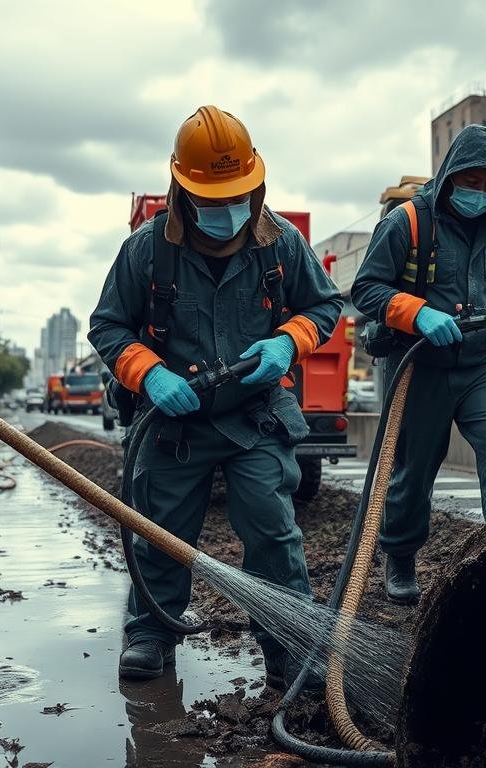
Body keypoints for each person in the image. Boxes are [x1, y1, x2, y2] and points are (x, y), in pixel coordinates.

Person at [88, 105, 343, 688]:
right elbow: (108, 326)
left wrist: (288, 342)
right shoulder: (147, 251)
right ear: (182, 189)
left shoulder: (281, 243)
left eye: (237, 195)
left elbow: (324, 306)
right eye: (213, 197)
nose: (227, 212)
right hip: (173, 425)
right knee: (161, 530)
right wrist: (150, 373)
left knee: (271, 529)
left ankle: (291, 647)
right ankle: (152, 632)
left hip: (253, 419)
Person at [351, 124, 486, 605]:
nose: (480, 194)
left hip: (484, 361)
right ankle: (399, 556)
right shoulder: (408, 222)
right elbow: (367, 289)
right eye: (471, 182)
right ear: (450, 177)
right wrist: (418, 314)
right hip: (420, 365)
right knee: (414, 471)